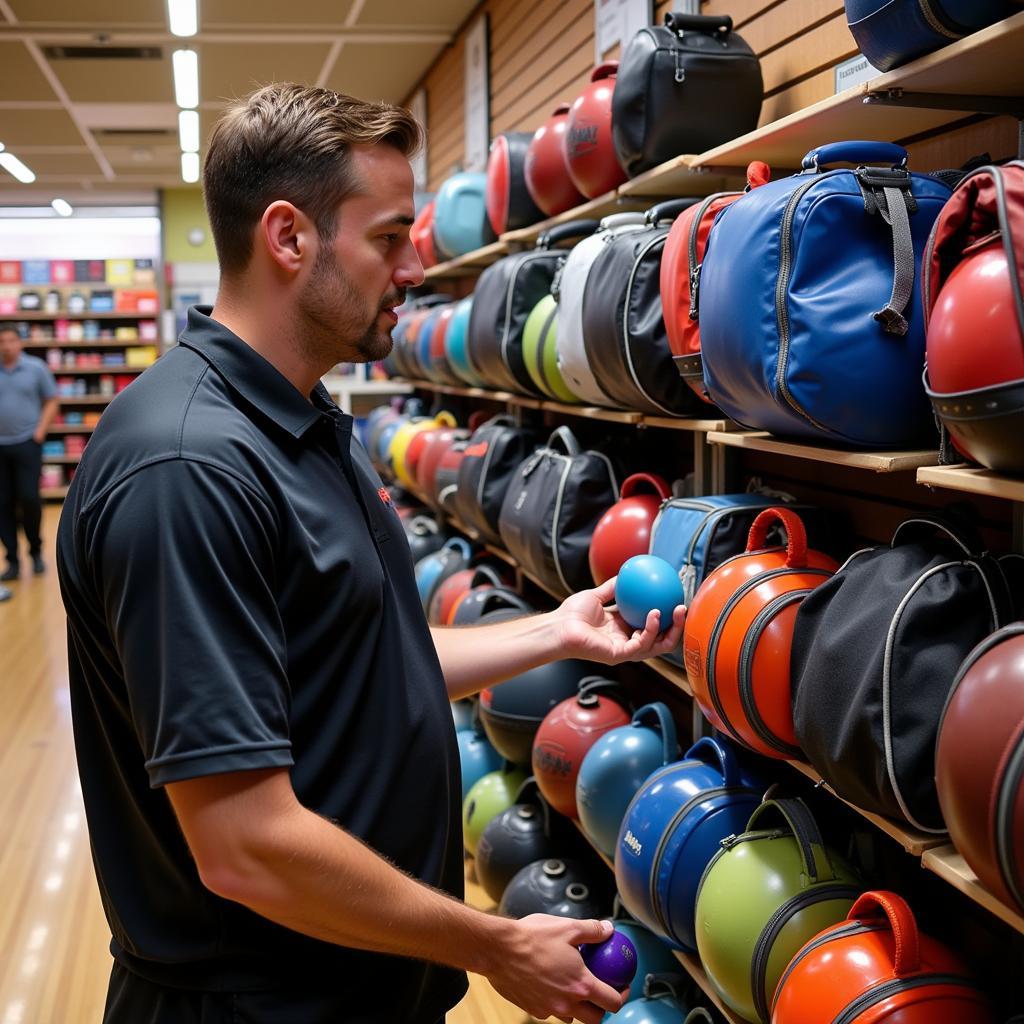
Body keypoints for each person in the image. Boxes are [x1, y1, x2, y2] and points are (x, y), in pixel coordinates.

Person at [56, 83, 686, 1024]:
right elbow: (243, 842)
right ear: (289, 237)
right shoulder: (187, 469)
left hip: (357, 982)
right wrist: (495, 943)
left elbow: (358, 667)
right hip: (255, 1006)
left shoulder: (305, 427)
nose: (411, 269)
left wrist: (557, 630)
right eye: (388, 239)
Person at [0, 323, 58, 581]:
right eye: (2, 342)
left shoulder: (36, 368)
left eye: (11, 340)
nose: (6, 346)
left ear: (19, 342)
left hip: (27, 443)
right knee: (2, 504)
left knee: (29, 499)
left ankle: (35, 551)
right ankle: (11, 558)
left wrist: (39, 432)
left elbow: (52, 400)